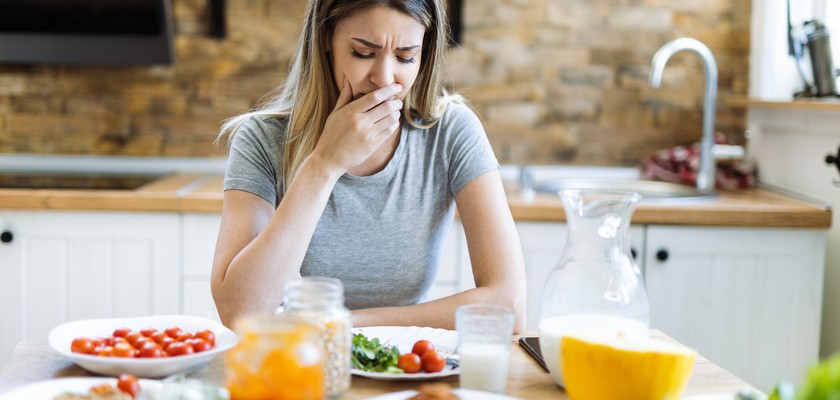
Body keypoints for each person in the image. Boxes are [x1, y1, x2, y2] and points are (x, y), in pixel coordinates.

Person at [211, 0, 526, 333]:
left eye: (406, 57)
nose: (385, 78)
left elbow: (509, 305)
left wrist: (344, 325)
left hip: (401, 368)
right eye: (363, 53)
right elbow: (240, 313)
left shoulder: (450, 132)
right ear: (325, 43)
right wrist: (324, 164)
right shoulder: (261, 139)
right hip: (297, 367)